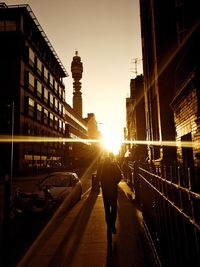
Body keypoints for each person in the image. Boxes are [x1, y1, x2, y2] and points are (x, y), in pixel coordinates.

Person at [97, 153, 122, 234]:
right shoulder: (114, 165)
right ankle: (113, 226)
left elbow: (98, 177)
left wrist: (102, 184)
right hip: (113, 190)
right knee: (114, 208)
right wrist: (115, 182)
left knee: (107, 209)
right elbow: (120, 176)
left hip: (105, 191)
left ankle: (109, 226)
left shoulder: (101, 166)